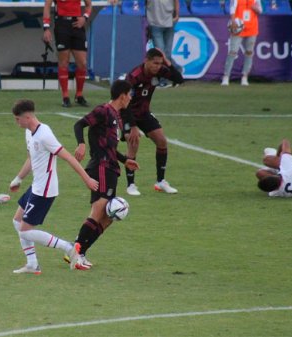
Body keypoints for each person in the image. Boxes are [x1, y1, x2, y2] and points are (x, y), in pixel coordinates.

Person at [9, 99, 99, 274]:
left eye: (17, 119)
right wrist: (18, 179)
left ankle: (69, 247)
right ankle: (32, 264)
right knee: (17, 221)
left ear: (27, 117)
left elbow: (69, 158)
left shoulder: (45, 134)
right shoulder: (29, 132)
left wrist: (87, 179)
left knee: (25, 231)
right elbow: (31, 158)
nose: (16, 122)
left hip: (45, 190)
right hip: (36, 186)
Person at [63, 80, 139, 270]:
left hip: (112, 168)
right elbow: (79, 124)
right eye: (129, 94)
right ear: (122, 95)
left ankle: (80, 251)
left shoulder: (117, 116)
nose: (130, 98)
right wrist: (81, 143)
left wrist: (124, 160)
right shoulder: (103, 110)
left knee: (109, 217)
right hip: (101, 167)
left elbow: (109, 145)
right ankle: (74, 252)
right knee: (99, 211)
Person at [122, 48, 183, 196]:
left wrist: (168, 63)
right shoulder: (134, 76)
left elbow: (179, 79)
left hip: (144, 113)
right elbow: (124, 103)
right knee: (133, 143)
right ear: (146, 61)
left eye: (160, 63)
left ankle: (160, 182)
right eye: (155, 63)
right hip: (127, 113)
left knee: (162, 141)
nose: (158, 66)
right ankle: (131, 185)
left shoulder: (160, 71)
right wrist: (133, 126)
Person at [42, 0, 92, 107]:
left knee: (82, 63)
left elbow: (88, 4)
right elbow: (47, 5)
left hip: (77, 24)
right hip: (62, 24)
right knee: (64, 62)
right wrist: (46, 28)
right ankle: (65, 96)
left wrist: (85, 17)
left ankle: (79, 95)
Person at [221, 0, 262, 86]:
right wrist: (233, 21)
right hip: (238, 27)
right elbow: (232, 8)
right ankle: (226, 76)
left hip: (252, 27)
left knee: (249, 52)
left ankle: (245, 76)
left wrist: (256, 9)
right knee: (233, 51)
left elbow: (260, 10)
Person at [146, 0, 179, 87]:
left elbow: (176, 1)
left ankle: (166, 77)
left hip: (169, 22)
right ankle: (164, 78)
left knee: (167, 53)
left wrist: (177, 15)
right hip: (155, 23)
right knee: (161, 53)